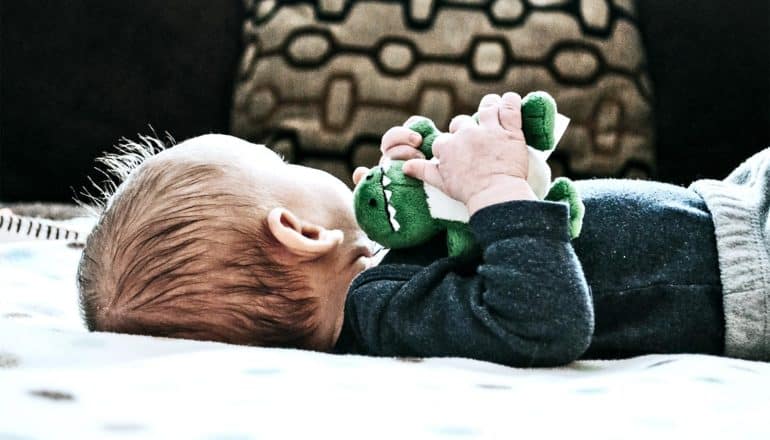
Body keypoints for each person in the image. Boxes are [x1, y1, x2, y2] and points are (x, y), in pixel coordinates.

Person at [77, 93, 770, 366]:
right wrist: (497, 190)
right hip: (746, 268)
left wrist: (440, 190)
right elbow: (543, 320)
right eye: (278, 161)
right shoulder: (386, 318)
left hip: (726, 209)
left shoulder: (383, 278)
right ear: (296, 231)